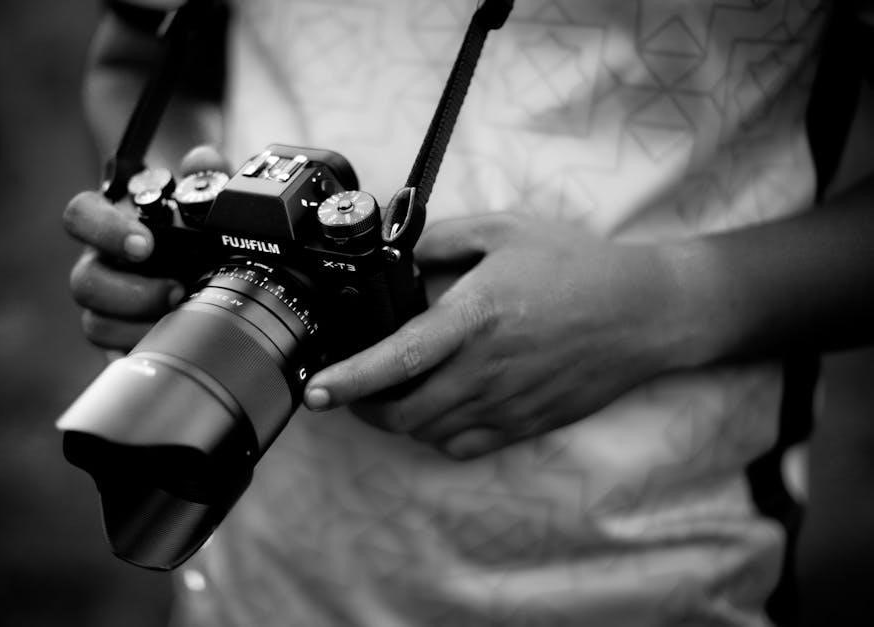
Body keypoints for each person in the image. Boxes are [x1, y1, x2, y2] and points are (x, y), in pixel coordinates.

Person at [63, 1, 874, 624]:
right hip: (258, 562)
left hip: (645, 575)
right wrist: (175, 228)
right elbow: (134, 59)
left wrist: (668, 302)